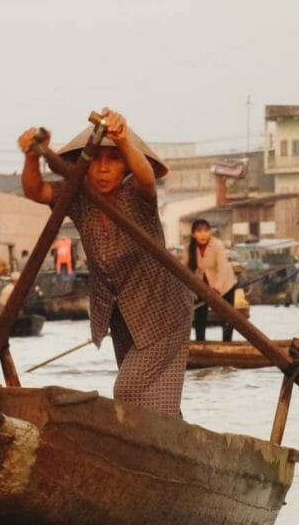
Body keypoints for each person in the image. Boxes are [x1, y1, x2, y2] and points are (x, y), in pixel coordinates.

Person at [18, 108, 193, 416]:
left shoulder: (136, 195)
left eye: (113, 159)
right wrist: (31, 157)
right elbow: (36, 191)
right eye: (95, 160)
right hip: (120, 311)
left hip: (163, 311)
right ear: (84, 166)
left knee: (127, 391)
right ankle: (176, 441)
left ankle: (165, 439)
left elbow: (146, 177)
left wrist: (123, 140)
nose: (102, 169)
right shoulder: (79, 197)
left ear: (124, 165)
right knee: (150, 407)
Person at [186, 219, 238, 342]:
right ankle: (200, 342)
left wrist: (217, 289)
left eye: (206, 231)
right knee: (200, 315)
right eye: (199, 231)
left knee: (227, 317)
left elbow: (222, 268)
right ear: (193, 234)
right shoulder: (189, 248)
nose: (203, 234)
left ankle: (227, 344)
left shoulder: (217, 245)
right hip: (202, 286)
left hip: (224, 285)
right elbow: (185, 269)